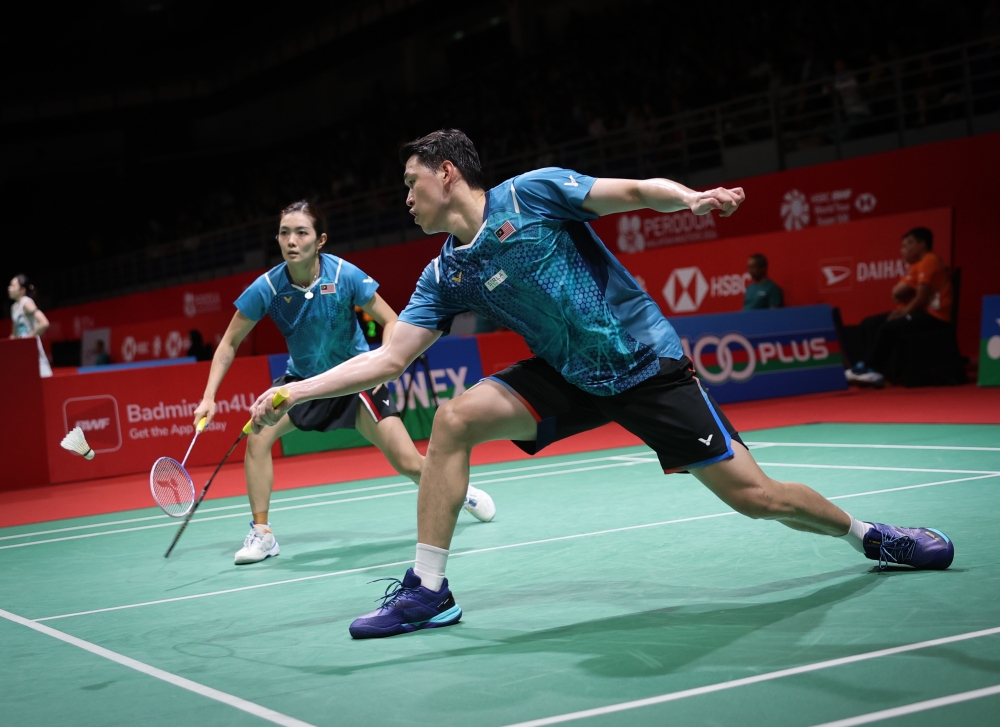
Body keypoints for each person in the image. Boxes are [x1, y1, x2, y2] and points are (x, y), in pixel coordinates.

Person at [249, 130, 954, 639]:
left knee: (757, 498)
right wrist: (298, 389)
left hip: (644, 363)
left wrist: (691, 200)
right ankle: (429, 589)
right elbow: (388, 358)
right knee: (456, 419)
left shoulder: (533, 195)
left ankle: (871, 535)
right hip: (567, 375)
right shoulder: (444, 274)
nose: (404, 197)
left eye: (410, 182)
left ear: (446, 175)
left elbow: (631, 193)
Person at [194, 199, 496, 566]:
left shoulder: (344, 275)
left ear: (320, 240)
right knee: (258, 436)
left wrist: (385, 364)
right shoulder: (268, 287)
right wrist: (209, 396)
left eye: (301, 232)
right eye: (284, 232)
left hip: (354, 381)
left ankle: (458, 492)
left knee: (408, 462)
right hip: (302, 384)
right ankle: (263, 533)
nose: (291, 240)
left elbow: (391, 321)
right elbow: (229, 342)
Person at [846, 227, 953, 387]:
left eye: (909, 244)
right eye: (903, 245)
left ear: (922, 244)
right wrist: (903, 307)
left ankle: (871, 367)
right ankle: (874, 371)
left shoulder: (930, 260)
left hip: (935, 316)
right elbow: (897, 293)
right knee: (870, 323)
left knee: (888, 326)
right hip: (921, 312)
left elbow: (921, 296)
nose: (904, 249)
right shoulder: (917, 264)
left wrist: (903, 312)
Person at [8, 274, 52, 378]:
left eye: (13, 285)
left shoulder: (26, 303)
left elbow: (44, 323)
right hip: (22, 353)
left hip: (33, 352)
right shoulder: (14, 308)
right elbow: (14, 335)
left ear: (22, 290)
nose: (9, 288)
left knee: (43, 384)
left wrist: (28, 340)